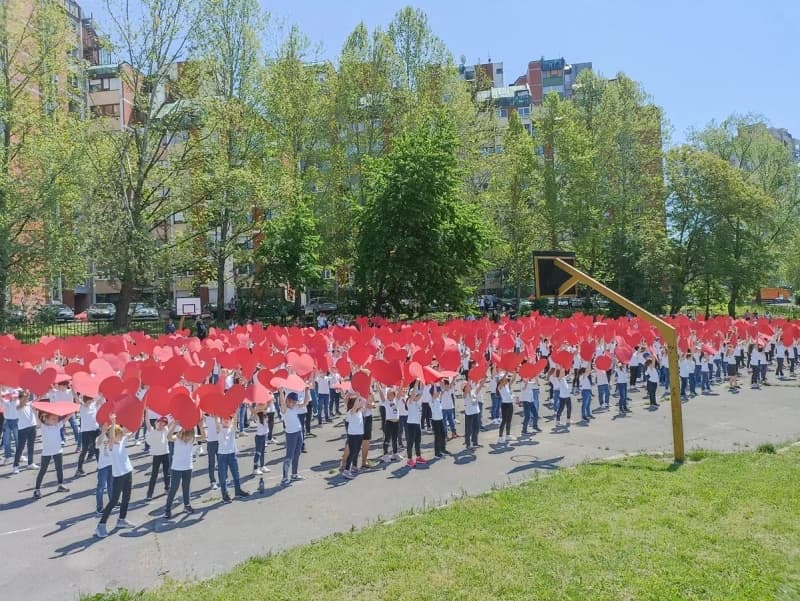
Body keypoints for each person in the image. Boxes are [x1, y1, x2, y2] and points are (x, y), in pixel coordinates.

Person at [96, 416, 135, 538]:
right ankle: (101, 525)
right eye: (120, 433)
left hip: (128, 472)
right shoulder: (110, 445)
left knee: (126, 498)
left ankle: (121, 520)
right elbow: (112, 437)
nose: (122, 435)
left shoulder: (123, 440)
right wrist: (113, 423)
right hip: (118, 476)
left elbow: (131, 430)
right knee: (113, 501)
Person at [33, 411, 70, 498]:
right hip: (47, 452)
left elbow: (67, 418)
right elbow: (37, 419)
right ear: (46, 419)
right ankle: (37, 490)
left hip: (58, 451)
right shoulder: (43, 426)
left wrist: (71, 412)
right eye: (53, 419)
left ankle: (60, 485)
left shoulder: (58, 425)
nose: (56, 420)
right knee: (43, 470)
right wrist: (35, 411)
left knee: (59, 468)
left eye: (57, 418)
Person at [164, 421, 195, 519]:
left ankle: (187, 505)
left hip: (188, 467)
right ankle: (167, 509)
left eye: (189, 437)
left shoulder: (192, 439)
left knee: (186, 487)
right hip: (177, 468)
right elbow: (168, 437)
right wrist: (175, 424)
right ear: (182, 434)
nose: (187, 439)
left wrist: (201, 425)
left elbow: (203, 436)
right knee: (173, 488)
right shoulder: (177, 438)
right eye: (186, 437)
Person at [216, 414, 250, 503]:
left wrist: (236, 411)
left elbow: (235, 419)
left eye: (228, 418)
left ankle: (238, 491)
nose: (226, 420)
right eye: (224, 418)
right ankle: (224, 494)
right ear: (221, 420)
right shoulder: (219, 428)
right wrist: (216, 415)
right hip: (222, 455)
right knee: (222, 476)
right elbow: (217, 422)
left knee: (236, 473)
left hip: (232, 454)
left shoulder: (232, 428)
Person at [280, 391, 305, 485]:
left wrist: (306, 391)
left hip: (299, 432)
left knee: (297, 453)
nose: (294, 403)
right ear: (287, 401)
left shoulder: (295, 407)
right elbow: (282, 402)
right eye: (292, 402)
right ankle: (284, 478)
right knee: (289, 455)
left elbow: (305, 403)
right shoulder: (284, 409)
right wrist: (280, 390)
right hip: (291, 434)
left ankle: (294, 474)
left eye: (295, 402)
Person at [144, 416, 171, 500]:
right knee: (154, 475)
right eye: (160, 423)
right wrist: (146, 410)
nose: (161, 425)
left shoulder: (166, 430)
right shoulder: (152, 431)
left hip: (165, 454)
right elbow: (147, 422)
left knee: (167, 473)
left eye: (163, 424)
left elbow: (172, 423)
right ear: (156, 423)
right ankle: (149, 494)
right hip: (156, 456)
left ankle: (167, 488)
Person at [75, 394, 100, 476]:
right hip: (85, 431)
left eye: (90, 401)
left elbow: (101, 398)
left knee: (97, 448)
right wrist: (73, 389)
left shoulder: (94, 404)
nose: (89, 403)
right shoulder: (82, 407)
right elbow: (76, 398)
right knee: (84, 450)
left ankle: (100, 465)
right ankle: (79, 469)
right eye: (88, 402)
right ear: (84, 401)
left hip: (95, 430)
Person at [13, 391, 37, 474]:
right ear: (20, 398)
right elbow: (21, 405)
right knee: (20, 448)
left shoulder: (30, 404)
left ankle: (30, 463)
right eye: (24, 397)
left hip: (32, 427)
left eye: (27, 397)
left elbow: (39, 398)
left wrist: (46, 390)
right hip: (22, 429)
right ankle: (15, 466)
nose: (26, 398)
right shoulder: (18, 406)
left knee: (31, 446)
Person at [342, 393, 365, 479]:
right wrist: (358, 396)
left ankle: (354, 467)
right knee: (352, 452)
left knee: (356, 451)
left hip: (359, 434)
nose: (359, 403)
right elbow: (356, 406)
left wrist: (361, 395)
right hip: (353, 435)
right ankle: (346, 471)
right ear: (353, 403)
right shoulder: (351, 411)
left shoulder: (359, 411)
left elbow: (363, 402)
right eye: (357, 402)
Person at [404, 382, 426, 467]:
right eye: (415, 395)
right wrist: (416, 383)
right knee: (410, 442)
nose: (417, 396)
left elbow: (420, 393)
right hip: (411, 424)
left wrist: (422, 384)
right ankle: (409, 459)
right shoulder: (409, 401)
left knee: (418, 441)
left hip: (417, 424)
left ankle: (418, 457)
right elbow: (414, 394)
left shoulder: (417, 402)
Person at [378, 385, 401, 463]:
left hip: (396, 422)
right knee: (387, 439)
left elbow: (400, 392)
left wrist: (401, 383)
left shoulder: (396, 400)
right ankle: (385, 455)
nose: (388, 396)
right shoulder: (386, 402)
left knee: (395, 439)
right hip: (389, 423)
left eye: (390, 394)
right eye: (387, 394)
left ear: (394, 395)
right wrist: (378, 386)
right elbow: (381, 394)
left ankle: (395, 453)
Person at [462, 381, 483, 449]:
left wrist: (484, 379)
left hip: (476, 412)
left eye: (469, 386)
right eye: (466, 387)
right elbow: (465, 393)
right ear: (464, 388)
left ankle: (475, 442)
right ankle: (468, 444)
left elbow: (480, 387)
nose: (469, 387)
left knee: (476, 428)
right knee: (469, 429)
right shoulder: (464, 394)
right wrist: (467, 385)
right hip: (469, 413)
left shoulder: (473, 391)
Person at [496, 372, 516, 443]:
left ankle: (508, 435)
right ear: (501, 380)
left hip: (510, 404)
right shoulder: (500, 386)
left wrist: (515, 371)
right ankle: (500, 437)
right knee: (504, 421)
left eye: (507, 379)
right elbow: (503, 379)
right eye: (505, 379)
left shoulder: (508, 385)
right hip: (504, 405)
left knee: (509, 420)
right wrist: (506, 372)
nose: (506, 380)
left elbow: (513, 379)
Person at [202, 412, 219, 490]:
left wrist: (216, 418)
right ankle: (213, 481)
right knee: (211, 463)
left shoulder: (220, 418)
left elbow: (219, 429)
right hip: (211, 443)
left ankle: (224, 479)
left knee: (221, 462)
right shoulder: (207, 418)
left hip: (219, 442)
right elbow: (200, 416)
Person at [2, 389, 19, 466]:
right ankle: (7, 457)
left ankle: (19, 455)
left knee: (18, 440)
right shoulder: (6, 402)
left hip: (16, 421)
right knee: (6, 441)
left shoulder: (18, 402)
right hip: (7, 422)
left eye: (16, 397)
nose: (15, 398)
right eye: (14, 397)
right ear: (11, 397)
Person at [252, 407, 271, 475]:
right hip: (259, 437)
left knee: (262, 452)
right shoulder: (258, 417)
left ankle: (262, 466)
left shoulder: (265, 416)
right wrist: (250, 406)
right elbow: (254, 411)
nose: (266, 410)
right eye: (264, 409)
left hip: (264, 436)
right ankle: (255, 468)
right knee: (258, 453)